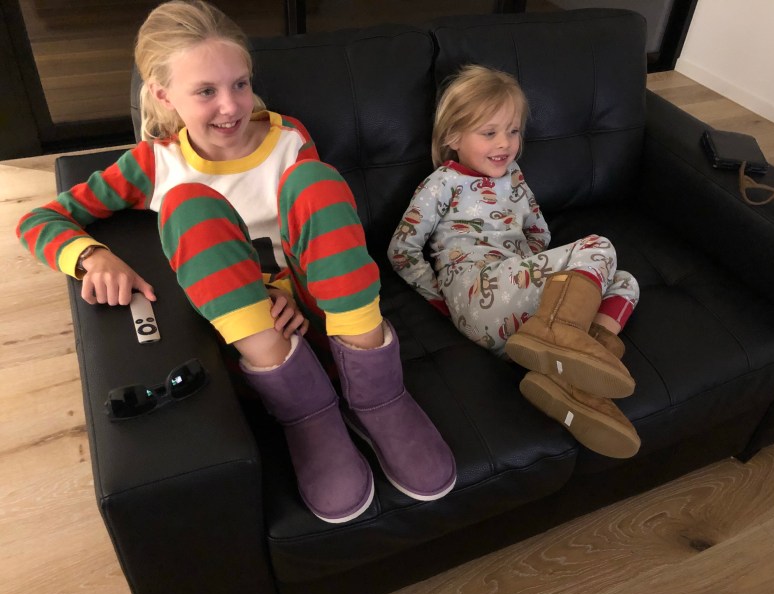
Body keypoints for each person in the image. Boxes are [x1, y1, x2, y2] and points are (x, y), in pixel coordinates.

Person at [16, 0, 455, 524]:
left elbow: (322, 234)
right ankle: (308, 416)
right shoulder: (154, 163)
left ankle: (380, 398)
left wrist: (291, 293)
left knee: (316, 181)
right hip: (255, 338)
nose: (231, 106)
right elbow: (39, 220)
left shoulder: (288, 137)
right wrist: (91, 256)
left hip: (329, 316)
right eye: (205, 91)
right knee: (187, 203)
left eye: (240, 84)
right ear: (163, 95)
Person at [388, 65, 641, 459]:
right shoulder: (442, 183)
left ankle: (569, 383)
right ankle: (565, 341)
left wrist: (533, 270)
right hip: (479, 294)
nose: (505, 143)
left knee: (625, 282)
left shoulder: (515, 177)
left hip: (518, 325)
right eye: (489, 133)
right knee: (600, 248)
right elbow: (401, 250)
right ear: (452, 136)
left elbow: (539, 231)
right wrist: (442, 299)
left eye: (513, 131)